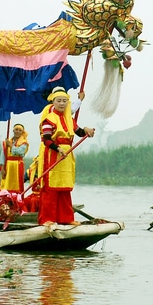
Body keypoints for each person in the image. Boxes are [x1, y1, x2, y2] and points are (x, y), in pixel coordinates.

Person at [38, 87, 95, 225]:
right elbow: (46, 139)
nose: (62, 103)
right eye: (59, 101)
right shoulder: (49, 119)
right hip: (53, 154)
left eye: (64, 101)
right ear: (53, 102)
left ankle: (66, 219)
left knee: (64, 188)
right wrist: (57, 148)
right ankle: (47, 220)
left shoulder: (69, 118)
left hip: (67, 155)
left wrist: (87, 130)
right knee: (50, 189)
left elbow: (79, 132)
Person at [0, 123, 29, 195]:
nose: (17, 131)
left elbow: (19, 152)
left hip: (17, 165)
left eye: (20, 130)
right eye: (16, 130)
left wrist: (11, 145)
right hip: (7, 165)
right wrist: (2, 167)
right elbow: (3, 155)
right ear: (13, 130)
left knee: (16, 185)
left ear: (22, 132)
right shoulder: (7, 142)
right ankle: (4, 201)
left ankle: (16, 201)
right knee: (5, 184)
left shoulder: (24, 143)